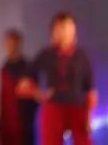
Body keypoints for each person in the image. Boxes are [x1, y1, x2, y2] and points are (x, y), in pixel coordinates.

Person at [17, 11, 98, 145]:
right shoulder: (46, 55)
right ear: (54, 31)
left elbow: (90, 90)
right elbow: (22, 85)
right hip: (54, 107)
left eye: (68, 27)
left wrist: (89, 116)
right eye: (60, 28)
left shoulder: (82, 57)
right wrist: (37, 93)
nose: (65, 32)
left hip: (78, 108)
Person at [0, 29, 37, 145]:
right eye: (7, 43)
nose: (10, 47)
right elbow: (2, 99)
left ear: (19, 44)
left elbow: (34, 96)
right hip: (8, 126)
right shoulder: (4, 69)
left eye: (12, 43)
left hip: (24, 124)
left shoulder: (28, 68)